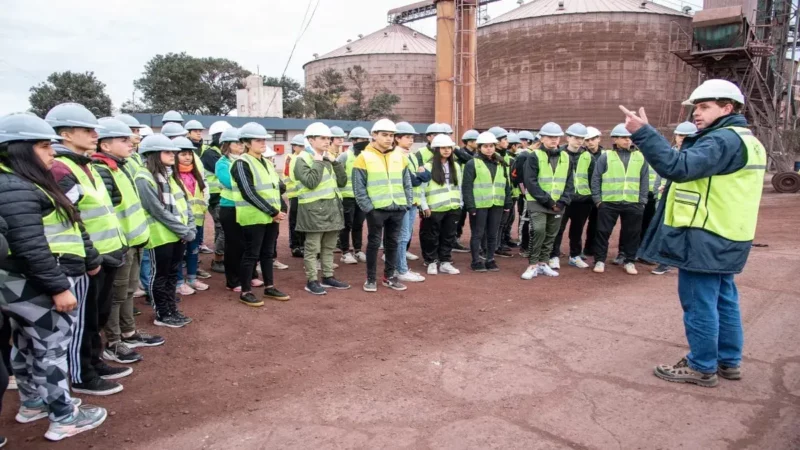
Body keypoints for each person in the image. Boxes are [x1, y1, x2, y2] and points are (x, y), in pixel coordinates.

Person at [621, 79, 767, 387]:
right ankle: (728, 361)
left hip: (705, 235)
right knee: (724, 298)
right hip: (730, 232)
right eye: (695, 108)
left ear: (727, 108)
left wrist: (644, 134)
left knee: (699, 301)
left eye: (704, 107)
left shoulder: (721, 140)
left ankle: (701, 365)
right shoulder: (749, 140)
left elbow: (678, 166)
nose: (696, 114)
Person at [0, 113, 108, 441]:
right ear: (19, 150)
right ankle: (65, 416)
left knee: (25, 342)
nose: (53, 153)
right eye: (45, 146)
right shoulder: (16, 186)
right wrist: (59, 287)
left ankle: (32, 402)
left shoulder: (16, 181)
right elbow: (30, 246)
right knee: (53, 347)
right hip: (31, 283)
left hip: (16, 284)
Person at [46, 103, 129, 396]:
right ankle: (82, 375)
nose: (95, 134)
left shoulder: (87, 165)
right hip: (86, 257)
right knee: (84, 320)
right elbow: (71, 219)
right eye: (87, 130)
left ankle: (95, 361)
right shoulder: (60, 168)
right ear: (65, 134)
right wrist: (92, 255)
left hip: (106, 253)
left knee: (98, 315)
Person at [91, 118, 164, 365]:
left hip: (133, 240)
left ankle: (129, 332)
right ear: (106, 145)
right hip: (118, 244)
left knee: (128, 291)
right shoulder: (101, 170)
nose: (132, 142)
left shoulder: (119, 166)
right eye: (124, 139)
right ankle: (114, 342)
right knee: (116, 295)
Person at [134, 134, 196, 328]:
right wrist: (184, 231)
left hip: (178, 236)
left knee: (171, 275)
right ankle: (162, 313)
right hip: (160, 237)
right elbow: (157, 210)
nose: (173, 155)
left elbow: (184, 204)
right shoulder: (143, 177)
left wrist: (190, 227)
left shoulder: (170, 176)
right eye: (168, 151)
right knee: (159, 276)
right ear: (153, 153)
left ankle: (171, 310)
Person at [229, 123, 290, 306]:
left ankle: (270, 286)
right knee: (251, 254)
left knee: (268, 253)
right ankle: (245, 291)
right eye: (258, 140)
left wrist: (281, 209)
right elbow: (248, 192)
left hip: (271, 217)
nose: (263, 143)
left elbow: (276, 188)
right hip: (254, 217)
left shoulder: (265, 162)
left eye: (264, 139)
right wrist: (273, 211)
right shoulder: (240, 163)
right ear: (247, 143)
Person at [352, 119, 414, 292]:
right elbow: (359, 187)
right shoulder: (363, 157)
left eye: (391, 135)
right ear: (374, 135)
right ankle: (371, 279)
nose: (389, 138)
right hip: (376, 210)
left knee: (392, 243)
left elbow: (406, 183)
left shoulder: (400, 157)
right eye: (384, 135)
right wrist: (369, 209)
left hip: (398, 208)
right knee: (373, 243)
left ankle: (389, 277)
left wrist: (406, 203)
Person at [292, 122, 349, 295]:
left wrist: (335, 163)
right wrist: (318, 161)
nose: (327, 141)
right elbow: (311, 182)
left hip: (331, 210)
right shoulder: (301, 159)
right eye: (322, 138)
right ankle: (312, 280)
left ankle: (328, 277)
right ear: (310, 140)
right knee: (312, 248)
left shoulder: (328, 159)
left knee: (329, 247)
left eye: (328, 138)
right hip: (313, 211)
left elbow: (342, 181)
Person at [591, 124, 649, 275]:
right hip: (609, 202)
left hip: (633, 202)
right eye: (624, 137)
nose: (628, 140)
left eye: (630, 138)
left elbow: (644, 180)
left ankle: (629, 261)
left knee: (632, 233)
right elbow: (596, 178)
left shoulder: (640, 157)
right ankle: (599, 260)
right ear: (615, 139)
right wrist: (598, 200)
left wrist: (642, 201)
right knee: (603, 232)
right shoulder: (606, 156)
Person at [520, 122, 574, 280]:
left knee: (551, 234)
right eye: (550, 137)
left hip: (559, 203)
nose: (554, 140)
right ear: (542, 138)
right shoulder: (534, 156)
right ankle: (533, 264)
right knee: (538, 230)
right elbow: (530, 181)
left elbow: (570, 182)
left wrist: (563, 201)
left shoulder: (566, 157)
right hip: (539, 202)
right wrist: (548, 201)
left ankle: (544, 263)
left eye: (556, 137)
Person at [651, 121, 697, 276]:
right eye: (679, 135)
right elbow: (660, 175)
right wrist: (656, 192)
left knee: (688, 232)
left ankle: (687, 261)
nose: (681, 138)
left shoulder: (696, 156)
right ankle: (664, 262)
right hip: (666, 199)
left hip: (688, 201)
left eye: (685, 136)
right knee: (665, 231)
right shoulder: (669, 154)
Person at [463, 132, 512, 272]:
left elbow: (506, 183)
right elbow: (467, 186)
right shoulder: (472, 163)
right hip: (479, 205)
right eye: (485, 146)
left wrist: (508, 202)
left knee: (492, 233)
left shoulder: (500, 163)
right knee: (478, 233)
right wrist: (470, 206)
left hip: (496, 203)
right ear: (479, 147)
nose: (489, 149)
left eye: (491, 146)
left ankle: (490, 259)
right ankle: (476, 261)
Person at [392, 122, 430, 283]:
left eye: (412, 137)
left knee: (405, 236)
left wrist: (421, 175)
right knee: (402, 236)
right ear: (397, 138)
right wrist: (420, 175)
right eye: (407, 137)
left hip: (413, 201)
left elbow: (426, 176)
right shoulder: (396, 156)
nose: (411, 140)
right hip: (403, 202)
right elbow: (413, 180)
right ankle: (400, 269)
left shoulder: (412, 155)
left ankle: (400, 267)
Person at [420, 134, 463, 275]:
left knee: (449, 235)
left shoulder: (455, 165)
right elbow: (421, 188)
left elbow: (459, 186)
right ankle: (431, 261)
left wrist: (460, 203)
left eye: (449, 147)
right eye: (443, 148)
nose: (447, 150)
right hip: (434, 208)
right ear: (436, 149)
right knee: (431, 236)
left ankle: (445, 261)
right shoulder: (427, 166)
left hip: (453, 207)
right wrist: (424, 206)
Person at [549, 123, 591, 269]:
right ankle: (553, 256)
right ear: (568, 138)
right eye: (576, 137)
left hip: (583, 200)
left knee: (577, 230)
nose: (579, 141)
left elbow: (593, 177)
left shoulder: (587, 156)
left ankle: (575, 256)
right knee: (558, 229)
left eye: (582, 138)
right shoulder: (558, 154)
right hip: (562, 199)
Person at [173, 137, 210, 296]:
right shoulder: (172, 176)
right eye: (183, 154)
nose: (188, 157)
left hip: (197, 221)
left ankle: (192, 279)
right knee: (180, 253)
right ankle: (179, 282)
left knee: (193, 251)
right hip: (180, 223)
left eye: (189, 154)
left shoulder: (196, 175)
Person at [201, 120, 233, 273]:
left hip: (222, 197)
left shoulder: (218, 153)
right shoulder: (211, 154)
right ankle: (218, 260)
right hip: (216, 198)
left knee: (225, 229)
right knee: (222, 229)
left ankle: (224, 257)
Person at [337, 128, 370, 264]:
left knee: (359, 224)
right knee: (346, 225)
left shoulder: (366, 156)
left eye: (366, 140)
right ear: (354, 141)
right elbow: (337, 176)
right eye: (362, 140)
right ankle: (345, 252)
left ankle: (357, 250)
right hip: (346, 197)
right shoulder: (344, 157)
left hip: (361, 197)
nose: (365, 143)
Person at [511, 134, 539, 258]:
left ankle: (534, 245)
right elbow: (517, 176)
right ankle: (524, 245)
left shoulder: (539, 155)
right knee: (525, 219)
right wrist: (524, 192)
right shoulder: (524, 155)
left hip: (537, 194)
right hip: (526, 194)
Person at [487, 127, 513, 257]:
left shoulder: (505, 156)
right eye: (505, 139)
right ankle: (491, 247)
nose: (507, 142)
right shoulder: (492, 157)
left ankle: (498, 244)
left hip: (504, 193)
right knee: (494, 224)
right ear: (497, 141)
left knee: (503, 222)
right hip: (493, 196)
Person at [455, 129, 478, 247]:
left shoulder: (477, 155)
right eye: (475, 140)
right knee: (460, 216)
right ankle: (456, 238)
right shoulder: (458, 156)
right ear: (468, 142)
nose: (477, 143)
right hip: (461, 190)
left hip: (475, 189)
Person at [285, 134, 307, 258]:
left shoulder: (305, 157)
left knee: (304, 221)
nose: (303, 148)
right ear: (294, 147)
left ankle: (303, 245)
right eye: (300, 146)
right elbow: (288, 175)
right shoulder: (290, 158)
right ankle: (295, 246)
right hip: (295, 194)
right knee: (295, 221)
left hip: (304, 195)